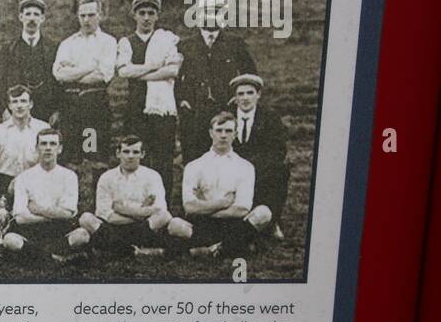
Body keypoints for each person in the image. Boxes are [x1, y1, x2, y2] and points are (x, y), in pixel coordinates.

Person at [168, 112, 272, 257]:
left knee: (263, 213)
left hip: (233, 224)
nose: (223, 135)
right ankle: (232, 247)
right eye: (219, 130)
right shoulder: (194, 166)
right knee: (175, 224)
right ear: (211, 133)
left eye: (228, 131)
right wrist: (223, 203)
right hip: (202, 225)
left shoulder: (245, 166)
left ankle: (209, 250)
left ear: (235, 134)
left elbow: (242, 209)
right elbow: (189, 207)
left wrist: (205, 207)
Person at [176, 0, 257, 163]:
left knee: (227, 156)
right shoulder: (185, 45)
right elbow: (175, 76)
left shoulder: (235, 44)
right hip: (194, 111)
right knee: (194, 157)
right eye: (207, 13)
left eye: (217, 13)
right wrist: (182, 100)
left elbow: (250, 74)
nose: (211, 18)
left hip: (226, 107)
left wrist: (237, 98)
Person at [115, 0, 181, 197]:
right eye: (142, 12)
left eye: (151, 13)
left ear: (157, 16)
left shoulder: (166, 40)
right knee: (135, 157)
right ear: (134, 15)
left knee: (163, 159)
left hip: (162, 110)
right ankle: (135, 201)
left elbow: (173, 70)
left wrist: (141, 73)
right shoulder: (127, 42)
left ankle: (163, 204)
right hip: (136, 107)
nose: (146, 17)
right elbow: (124, 71)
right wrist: (154, 66)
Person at [79, 135, 187, 257]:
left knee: (164, 216)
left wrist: (122, 209)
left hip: (144, 228)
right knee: (85, 218)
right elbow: (105, 214)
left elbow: (160, 209)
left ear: (142, 154)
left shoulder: (152, 176)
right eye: (126, 152)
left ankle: (116, 248)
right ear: (118, 153)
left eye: (135, 152)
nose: (130, 156)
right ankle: (132, 250)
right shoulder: (106, 177)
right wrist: (141, 213)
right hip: (114, 227)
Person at [53, 0, 117, 190]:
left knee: (96, 156)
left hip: (94, 104)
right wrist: (90, 66)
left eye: (91, 15)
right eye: (82, 15)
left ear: (100, 15)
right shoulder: (68, 43)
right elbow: (58, 74)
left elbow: (103, 75)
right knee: (70, 157)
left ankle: (98, 205)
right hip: (71, 106)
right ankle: (69, 204)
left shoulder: (108, 42)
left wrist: (73, 72)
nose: (86, 20)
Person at [0, 129, 91, 260]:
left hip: (60, 231)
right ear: (37, 148)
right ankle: (57, 258)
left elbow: (68, 213)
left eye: (53, 144)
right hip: (32, 231)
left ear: (60, 149)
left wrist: (38, 209)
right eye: (43, 144)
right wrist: (53, 214)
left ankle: (40, 257)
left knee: (82, 235)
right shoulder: (24, 177)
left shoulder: (69, 176)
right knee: (9, 240)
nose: (48, 148)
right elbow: (20, 218)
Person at [0, 85, 48, 225]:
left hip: (35, 183)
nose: (19, 106)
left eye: (23, 101)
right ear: (9, 105)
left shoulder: (43, 129)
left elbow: (53, 164)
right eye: (14, 102)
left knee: (37, 227)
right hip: (4, 184)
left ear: (31, 104)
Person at [230, 73, 290, 239]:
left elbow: (278, 149)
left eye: (250, 93)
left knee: (280, 170)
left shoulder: (270, 117)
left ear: (258, 95)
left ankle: (272, 219)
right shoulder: (227, 116)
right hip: (232, 166)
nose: (245, 98)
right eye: (240, 94)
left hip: (262, 167)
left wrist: (254, 166)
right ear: (234, 97)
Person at [0, 0, 60, 123]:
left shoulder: (53, 48)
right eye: (28, 14)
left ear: (42, 19)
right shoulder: (9, 49)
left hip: (46, 114)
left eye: (36, 14)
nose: (32, 18)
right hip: (16, 113)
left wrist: (57, 111)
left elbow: (59, 83)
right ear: (21, 17)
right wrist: (4, 111)